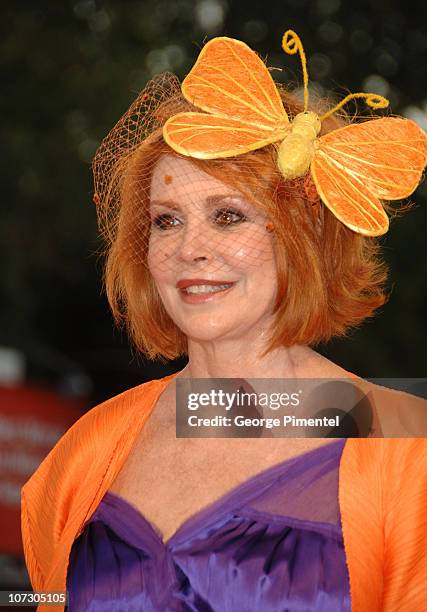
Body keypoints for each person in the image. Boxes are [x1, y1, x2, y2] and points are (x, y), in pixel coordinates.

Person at [22, 31, 427, 611]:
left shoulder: (403, 445)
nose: (190, 249)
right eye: (166, 222)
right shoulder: (84, 452)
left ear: (304, 238)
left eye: (227, 215)